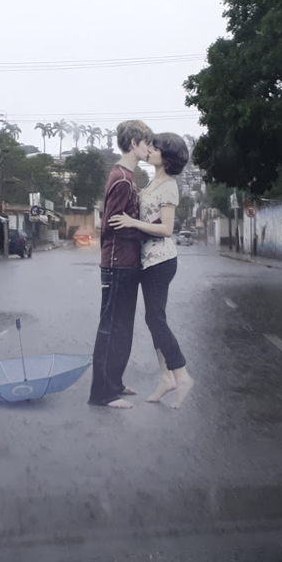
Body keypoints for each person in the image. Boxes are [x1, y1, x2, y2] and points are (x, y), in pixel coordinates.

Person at [109, 132, 194, 409]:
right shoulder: (152, 182)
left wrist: (132, 222)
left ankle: (181, 375)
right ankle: (165, 378)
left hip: (161, 261)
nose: (151, 150)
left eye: (157, 147)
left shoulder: (168, 185)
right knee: (154, 318)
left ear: (167, 156)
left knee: (155, 319)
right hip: (148, 260)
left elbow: (167, 229)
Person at [88, 120, 153, 409]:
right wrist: (146, 230)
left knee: (123, 326)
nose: (149, 148)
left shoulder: (128, 176)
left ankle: (114, 383)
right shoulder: (122, 178)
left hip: (128, 262)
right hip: (117, 263)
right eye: (146, 143)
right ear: (133, 144)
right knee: (111, 327)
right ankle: (101, 394)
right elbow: (112, 225)